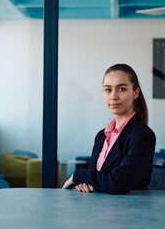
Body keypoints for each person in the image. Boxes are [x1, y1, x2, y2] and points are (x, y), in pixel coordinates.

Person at [62, 64, 156, 194]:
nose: (113, 96)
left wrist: (78, 176)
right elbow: (94, 177)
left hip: (131, 211)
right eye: (108, 90)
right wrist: (85, 184)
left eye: (121, 89)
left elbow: (118, 183)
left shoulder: (143, 135)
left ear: (135, 92)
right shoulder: (102, 136)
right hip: (99, 209)